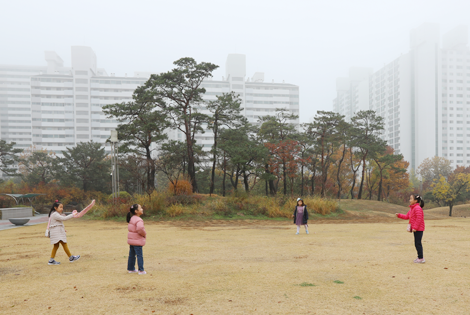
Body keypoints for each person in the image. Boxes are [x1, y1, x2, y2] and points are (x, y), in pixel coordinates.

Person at [47, 200, 81, 265]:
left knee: (56, 246)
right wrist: (72, 215)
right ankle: (71, 257)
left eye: (62, 207)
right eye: (60, 207)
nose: (62, 209)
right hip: (56, 233)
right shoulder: (55, 214)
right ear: (55, 208)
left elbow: (57, 224)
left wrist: (62, 229)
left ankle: (51, 260)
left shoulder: (55, 214)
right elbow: (64, 218)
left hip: (56, 232)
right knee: (64, 244)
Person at [396, 194, 426, 263]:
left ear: (415, 201)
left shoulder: (417, 208)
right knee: (416, 243)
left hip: (419, 229)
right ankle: (419, 257)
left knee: (418, 243)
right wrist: (399, 215)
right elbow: (407, 216)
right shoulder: (412, 208)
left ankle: (421, 258)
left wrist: (415, 227)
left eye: (411, 199)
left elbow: (419, 219)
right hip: (416, 229)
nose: (409, 200)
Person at [127, 204, 147, 275]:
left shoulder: (132, 218)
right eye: (140, 208)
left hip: (132, 241)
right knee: (139, 255)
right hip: (137, 241)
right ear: (136, 211)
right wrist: (144, 234)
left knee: (132, 255)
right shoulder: (139, 220)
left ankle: (131, 268)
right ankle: (141, 270)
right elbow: (140, 229)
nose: (142, 209)